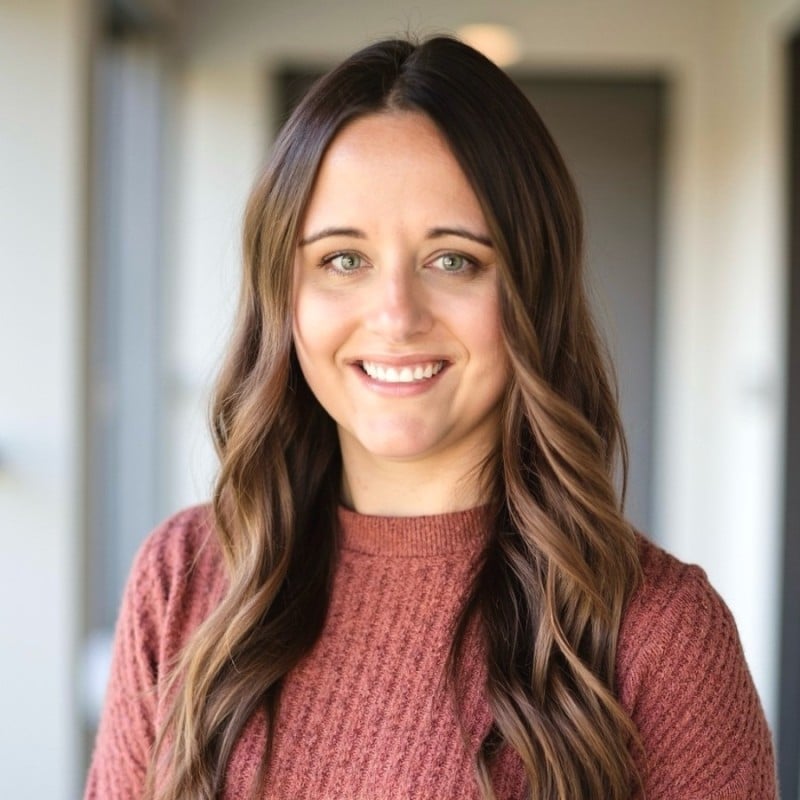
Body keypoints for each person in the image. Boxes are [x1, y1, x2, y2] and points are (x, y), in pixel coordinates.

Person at [84, 36, 777, 800]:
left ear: (533, 290)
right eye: (343, 260)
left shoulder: (662, 636)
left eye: (453, 260)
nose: (396, 316)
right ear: (282, 296)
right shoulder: (181, 580)